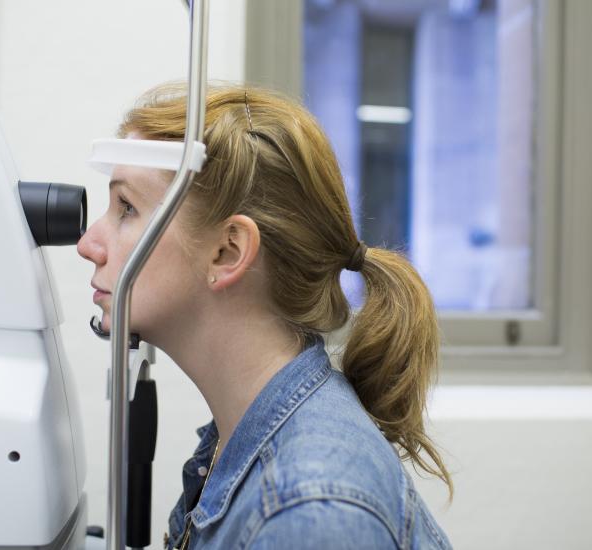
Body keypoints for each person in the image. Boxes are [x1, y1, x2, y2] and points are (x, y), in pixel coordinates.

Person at [77, 83, 453, 549]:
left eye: (127, 208)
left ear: (227, 251)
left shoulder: (308, 512)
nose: (88, 245)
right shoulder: (238, 438)